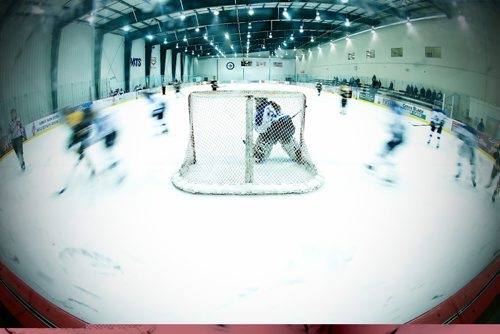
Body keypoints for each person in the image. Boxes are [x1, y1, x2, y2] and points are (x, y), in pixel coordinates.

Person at [252, 98, 314, 172]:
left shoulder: (261, 109)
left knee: (264, 136)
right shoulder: (273, 104)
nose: (256, 102)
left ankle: (260, 153)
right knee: (287, 140)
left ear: (260, 101)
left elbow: (261, 128)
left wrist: (259, 131)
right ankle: (297, 154)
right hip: (287, 125)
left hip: (274, 130)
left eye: (257, 100)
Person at [366, 100, 406, 182]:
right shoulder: (397, 117)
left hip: (396, 141)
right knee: (383, 153)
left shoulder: (397, 117)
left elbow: (397, 132)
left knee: (386, 155)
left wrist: (391, 128)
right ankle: (374, 166)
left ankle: (391, 176)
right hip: (396, 140)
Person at [454, 117, 478, 187]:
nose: (467, 122)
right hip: (466, 146)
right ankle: (459, 172)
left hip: (469, 148)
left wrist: (460, 136)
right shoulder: (463, 127)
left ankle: (473, 178)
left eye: (468, 121)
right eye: (467, 121)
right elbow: (456, 132)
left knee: (472, 163)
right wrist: (459, 136)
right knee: (460, 158)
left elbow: (475, 142)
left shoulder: (473, 131)